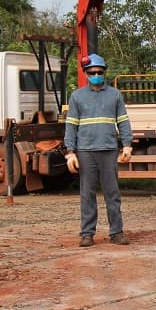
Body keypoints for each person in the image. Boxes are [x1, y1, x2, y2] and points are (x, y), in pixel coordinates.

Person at [64, 54, 133, 248]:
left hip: (109, 150)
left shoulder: (114, 95)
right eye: (92, 72)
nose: (96, 75)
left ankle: (116, 232)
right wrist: (70, 152)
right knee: (87, 194)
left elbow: (123, 122)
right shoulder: (77, 96)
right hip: (86, 151)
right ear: (86, 73)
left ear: (104, 73)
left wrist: (127, 145)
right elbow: (71, 126)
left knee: (112, 193)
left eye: (99, 72)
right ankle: (87, 234)